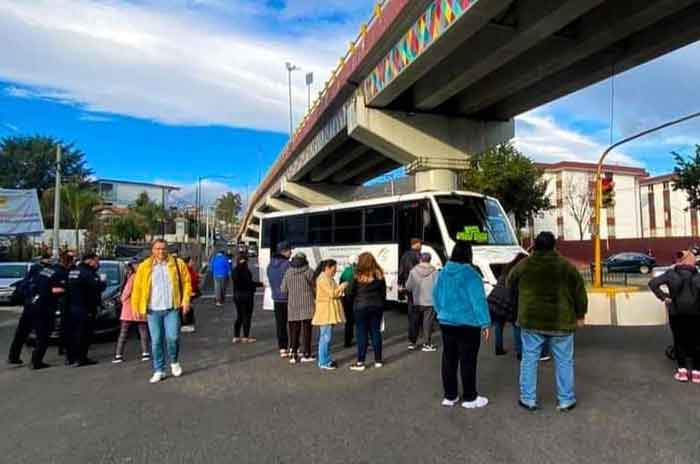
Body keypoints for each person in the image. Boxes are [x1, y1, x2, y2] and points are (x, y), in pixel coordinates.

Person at [508, 232, 587, 412]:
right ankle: (566, 400)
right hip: (561, 321)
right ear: (554, 246)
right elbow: (579, 292)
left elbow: (509, 282)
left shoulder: (524, 265)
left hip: (531, 321)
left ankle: (528, 399)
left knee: (529, 359)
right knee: (564, 361)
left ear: (534, 245)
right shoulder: (566, 266)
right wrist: (580, 315)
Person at [432, 241, 491, 409]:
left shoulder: (443, 273)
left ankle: (450, 396)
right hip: (467, 324)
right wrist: (485, 323)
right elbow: (478, 301)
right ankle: (470, 397)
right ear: (468, 254)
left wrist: (441, 312)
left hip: (446, 323)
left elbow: (435, 296)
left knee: (448, 360)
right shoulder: (471, 274)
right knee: (468, 361)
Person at [131, 239, 192, 384]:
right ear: (152, 250)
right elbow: (137, 288)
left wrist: (186, 301)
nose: (161, 251)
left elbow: (187, 282)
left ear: (168, 250)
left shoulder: (177, 264)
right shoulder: (144, 267)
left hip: (171, 308)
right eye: (157, 249)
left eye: (164, 248)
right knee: (156, 341)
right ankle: (159, 370)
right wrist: (136, 307)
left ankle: (174, 361)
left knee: (173, 338)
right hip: (153, 310)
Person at [7, 253, 67, 369]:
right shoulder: (51, 272)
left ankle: (13, 356)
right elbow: (51, 289)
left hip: (30, 303)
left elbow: (26, 285)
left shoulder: (36, 270)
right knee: (43, 334)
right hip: (42, 305)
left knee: (22, 331)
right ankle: (36, 361)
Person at [649, 249, 700, 383]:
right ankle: (696, 373)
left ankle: (682, 372)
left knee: (679, 340)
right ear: (693, 262)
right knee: (697, 341)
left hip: (676, 313)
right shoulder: (698, 275)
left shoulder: (671, 274)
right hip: (696, 313)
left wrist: (664, 297)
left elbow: (653, 283)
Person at [65, 252, 106, 367]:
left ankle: (72, 358)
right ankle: (81, 358)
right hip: (85, 308)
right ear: (90, 260)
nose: (98, 263)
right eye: (96, 261)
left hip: (73, 307)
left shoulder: (74, 271)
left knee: (74, 333)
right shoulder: (88, 273)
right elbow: (97, 288)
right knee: (84, 334)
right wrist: (103, 282)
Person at [346, 252, 386, 371]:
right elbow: (383, 293)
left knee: (361, 334)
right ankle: (378, 360)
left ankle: (361, 362)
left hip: (360, 306)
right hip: (376, 306)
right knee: (375, 332)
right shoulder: (379, 275)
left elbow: (349, 292)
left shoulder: (356, 275)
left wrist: (352, 302)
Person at [487, 252, 528, 356]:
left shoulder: (506, 269)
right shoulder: (519, 272)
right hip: (508, 302)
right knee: (517, 326)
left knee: (499, 325)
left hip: (494, 300)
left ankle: (498, 348)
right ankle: (520, 352)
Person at [312, 260, 348, 370]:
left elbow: (334, 292)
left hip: (328, 311)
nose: (335, 271)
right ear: (328, 268)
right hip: (326, 312)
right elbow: (332, 293)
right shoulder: (323, 279)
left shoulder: (327, 278)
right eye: (334, 269)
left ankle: (326, 359)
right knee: (325, 338)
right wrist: (342, 286)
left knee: (326, 337)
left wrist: (339, 289)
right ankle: (323, 361)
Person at [281, 252, 316, 364]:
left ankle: (293, 354)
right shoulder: (309, 271)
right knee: (307, 331)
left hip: (293, 305)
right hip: (307, 304)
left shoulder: (288, 272)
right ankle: (306, 353)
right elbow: (315, 285)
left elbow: (283, 289)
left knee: (293, 331)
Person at [112, 261, 150, 364]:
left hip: (129, 308)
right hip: (141, 307)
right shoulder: (145, 276)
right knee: (143, 331)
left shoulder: (133, 277)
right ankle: (145, 353)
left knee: (124, 333)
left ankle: (118, 355)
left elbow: (126, 293)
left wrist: (121, 299)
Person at [405, 252, 439, 352]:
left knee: (414, 322)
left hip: (417, 300)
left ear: (420, 259)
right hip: (430, 301)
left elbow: (408, 287)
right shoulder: (435, 272)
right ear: (430, 260)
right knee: (427, 323)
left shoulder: (413, 271)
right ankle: (427, 344)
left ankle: (412, 343)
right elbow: (438, 287)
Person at [267, 241, 292, 357]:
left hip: (277, 299)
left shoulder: (270, 265)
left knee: (280, 324)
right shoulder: (287, 265)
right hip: (288, 298)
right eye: (289, 250)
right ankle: (292, 346)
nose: (291, 252)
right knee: (292, 323)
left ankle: (282, 348)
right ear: (284, 251)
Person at [232, 255, 262, 343]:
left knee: (239, 316)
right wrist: (260, 284)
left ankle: (236, 336)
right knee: (247, 316)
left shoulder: (234, 271)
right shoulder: (246, 271)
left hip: (237, 296)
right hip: (247, 296)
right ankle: (245, 336)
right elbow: (249, 283)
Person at [399, 238, 423, 350]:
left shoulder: (404, 255)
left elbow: (401, 271)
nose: (421, 245)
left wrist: (401, 284)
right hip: (418, 285)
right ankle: (415, 336)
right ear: (415, 244)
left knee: (412, 309)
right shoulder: (418, 255)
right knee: (417, 310)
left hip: (408, 286)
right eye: (420, 243)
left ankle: (413, 335)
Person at [339, 255, 357, 347]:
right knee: (358, 320)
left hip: (346, 298)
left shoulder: (345, 271)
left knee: (348, 320)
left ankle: (347, 341)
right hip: (355, 298)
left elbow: (340, 283)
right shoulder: (356, 271)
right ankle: (360, 338)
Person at [181, 256, 200, 333]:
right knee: (187, 308)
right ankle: (185, 324)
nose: (193, 263)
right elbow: (187, 281)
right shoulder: (185, 270)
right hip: (188, 292)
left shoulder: (190, 269)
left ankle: (187, 324)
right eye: (191, 261)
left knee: (189, 308)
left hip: (191, 291)